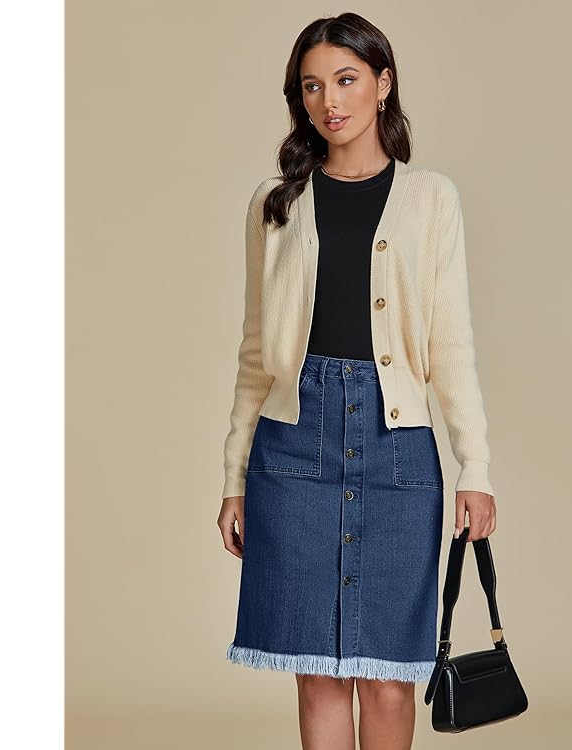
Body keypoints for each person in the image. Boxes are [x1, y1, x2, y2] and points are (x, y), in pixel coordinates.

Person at [216, 12, 498, 750]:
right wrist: (234, 479)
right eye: (312, 86)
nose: (329, 100)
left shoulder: (431, 199)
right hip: (292, 448)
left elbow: (451, 343)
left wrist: (475, 466)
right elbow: (256, 351)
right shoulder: (275, 204)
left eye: (345, 79)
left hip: (396, 448)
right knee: (317, 674)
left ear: (383, 83)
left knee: (388, 677)